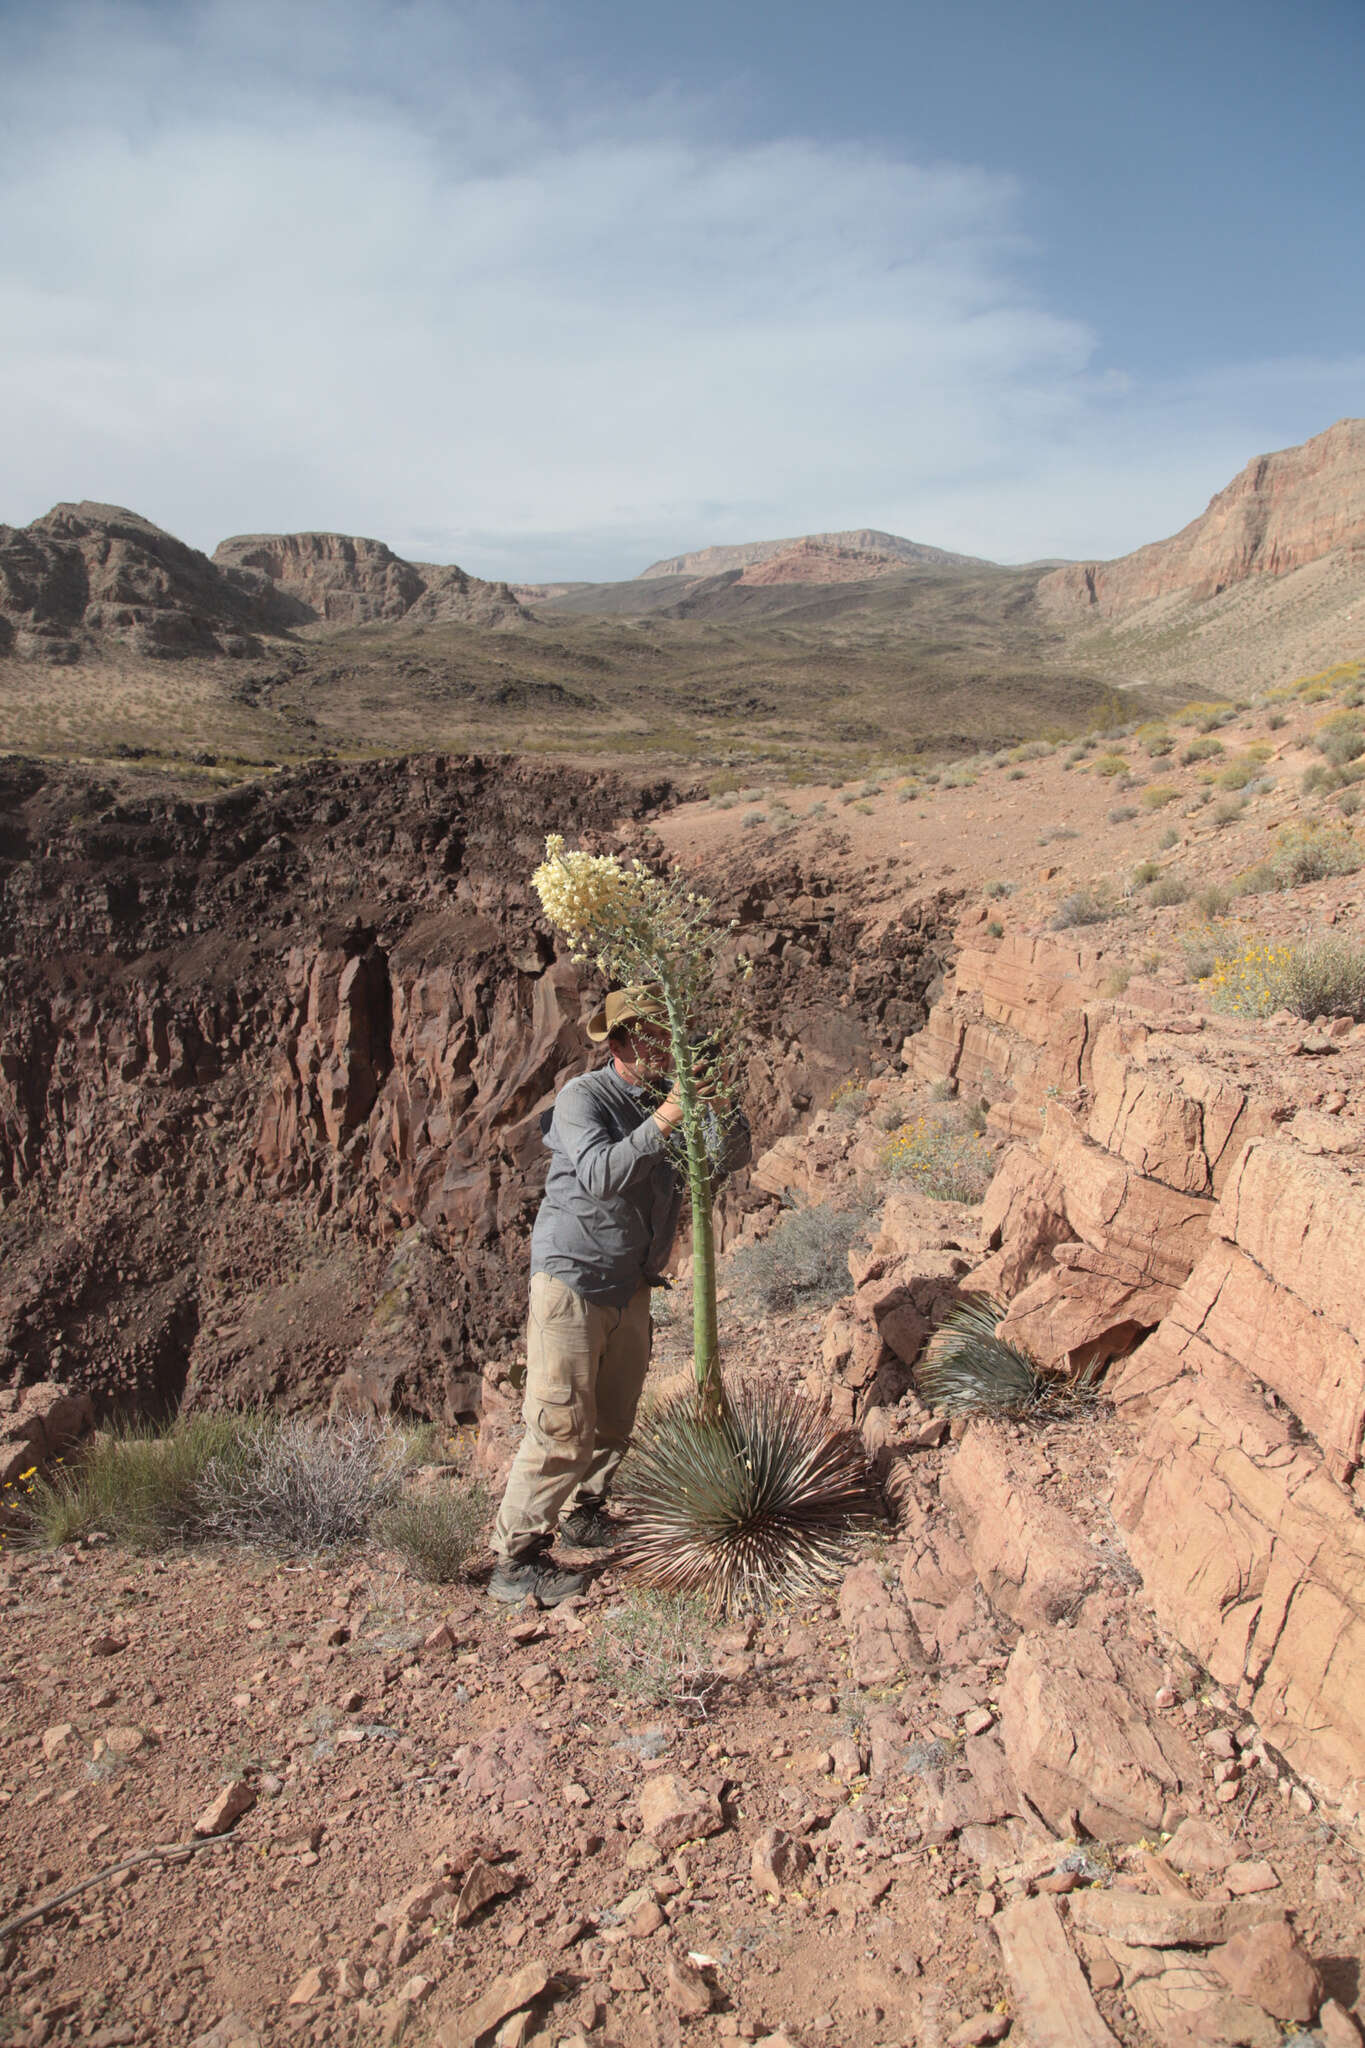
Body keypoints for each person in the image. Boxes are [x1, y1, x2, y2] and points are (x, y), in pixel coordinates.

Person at [489, 983, 752, 1605]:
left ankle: (587, 1510)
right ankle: (515, 1559)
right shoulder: (585, 1097)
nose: (662, 1046)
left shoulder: (672, 1096)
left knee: (614, 1418)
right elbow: (603, 1175)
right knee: (561, 1424)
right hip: (572, 1277)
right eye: (650, 1035)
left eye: (669, 1034)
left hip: (631, 1282)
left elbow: (731, 1158)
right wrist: (670, 1116)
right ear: (623, 1042)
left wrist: (717, 1107)